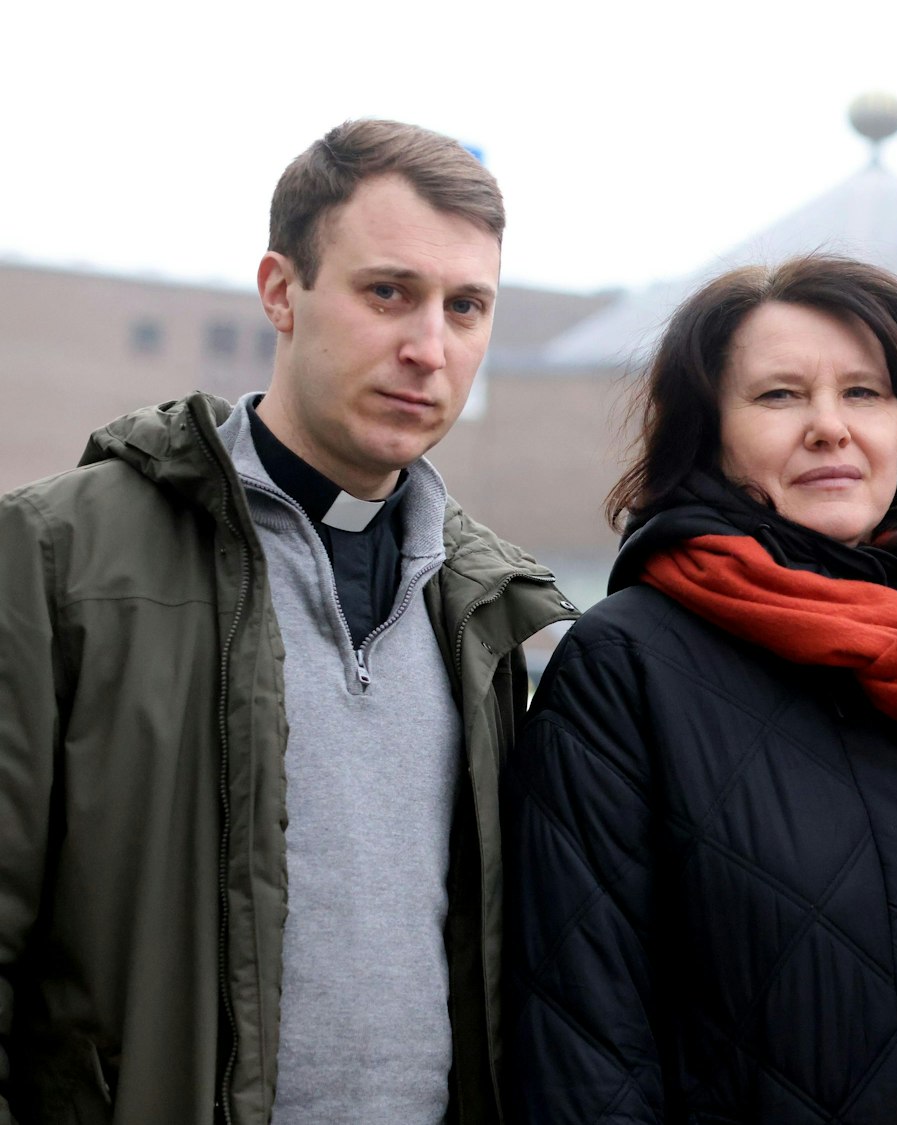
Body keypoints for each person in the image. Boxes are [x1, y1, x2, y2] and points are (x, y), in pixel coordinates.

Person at [0, 120, 576, 1123]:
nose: (426, 348)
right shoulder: (56, 556)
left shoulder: (482, 607)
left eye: (466, 306)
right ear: (281, 291)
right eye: (387, 291)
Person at [503, 254, 897, 1123]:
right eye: (779, 396)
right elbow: (587, 1048)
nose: (829, 427)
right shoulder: (626, 668)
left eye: (865, 393)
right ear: (711, 435)